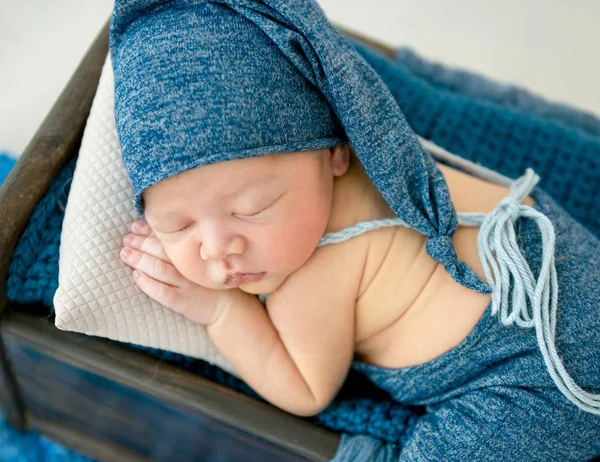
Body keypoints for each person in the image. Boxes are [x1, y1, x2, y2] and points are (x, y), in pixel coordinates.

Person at [111, 0, 600, 460]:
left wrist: (221, 311)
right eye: (177, 225)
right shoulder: (387, 151)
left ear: (334, 154)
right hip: (569, 264)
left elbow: (306, 390)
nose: (219, 248)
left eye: (253, 208)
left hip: (537, 381)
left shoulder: (309, 276)